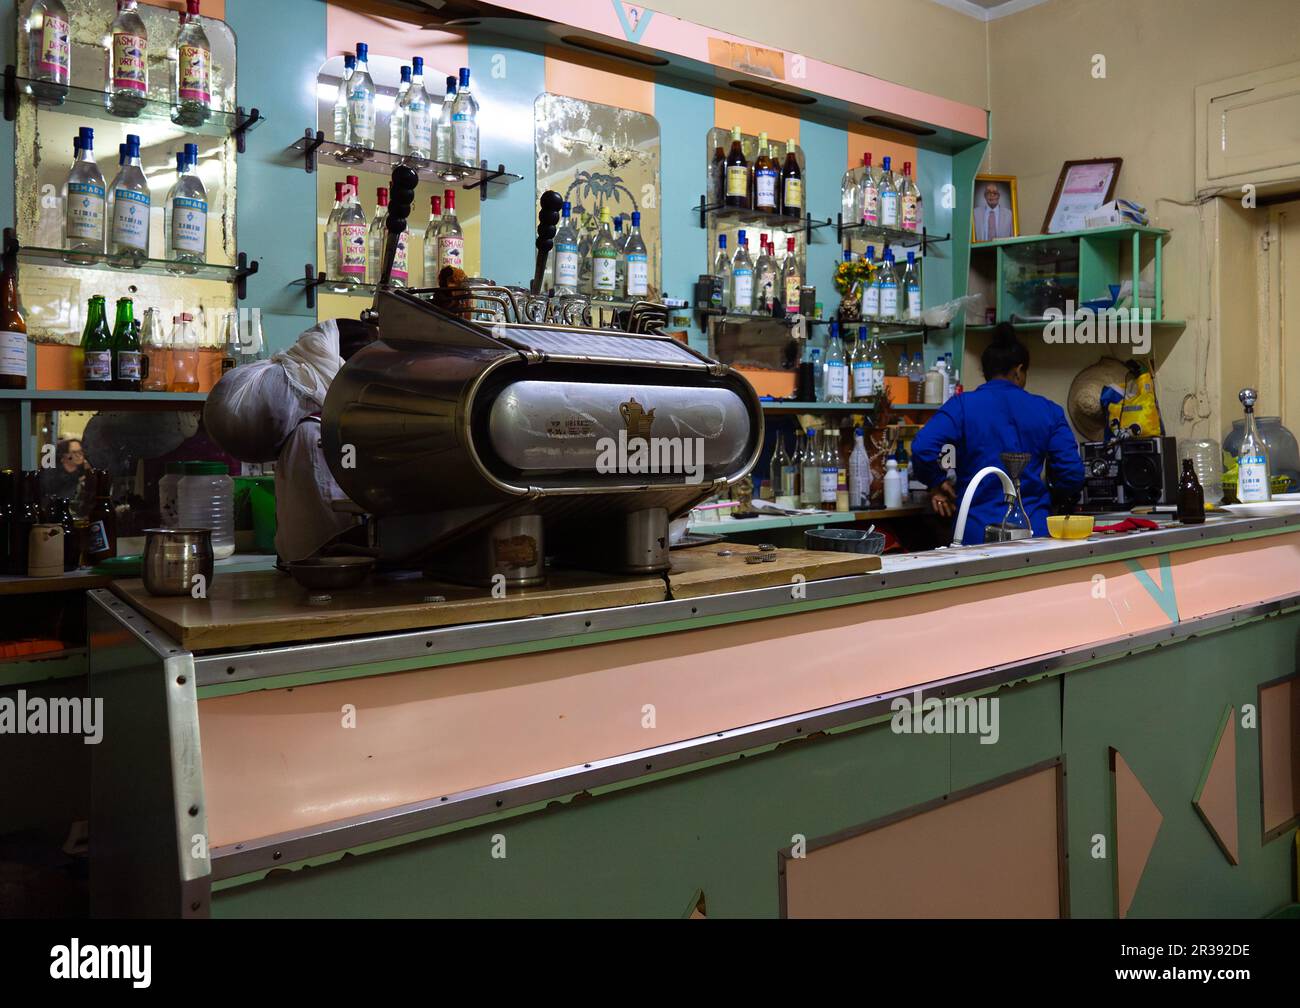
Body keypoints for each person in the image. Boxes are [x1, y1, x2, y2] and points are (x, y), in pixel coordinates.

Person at [204, 317, 377, 562]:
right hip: (329, 567)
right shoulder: (317, 433)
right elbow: (337, 527)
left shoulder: (311, 429)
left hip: (305, 563)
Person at [911, 324, 1083, 545]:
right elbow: (1072, 473)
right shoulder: (1048, 410)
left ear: (986, 373)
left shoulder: (962, 406)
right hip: (1034, 530)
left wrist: (936, 482)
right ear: (1019, 371)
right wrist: (1054, 497)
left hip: (975, 534)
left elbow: (922, 447)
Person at [41, 439, 90, 505]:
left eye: (81, 451)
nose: (79, 455)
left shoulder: (85, 470)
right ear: (64, 455)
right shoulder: (52, 472)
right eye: (74, 452)